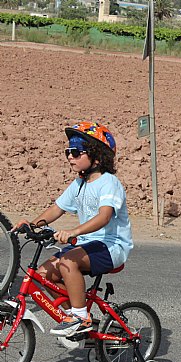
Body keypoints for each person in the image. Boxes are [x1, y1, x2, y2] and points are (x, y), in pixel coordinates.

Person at [12, 121, 133, 338]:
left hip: (111, 245)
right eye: (68, 152)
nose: (70, 157)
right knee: (44, 274)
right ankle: (73, 317)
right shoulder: (79, 184)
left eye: (76, 152)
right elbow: (56, 209)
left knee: (68, 262)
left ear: (97, 156)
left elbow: (104, 216)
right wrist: (32, 225)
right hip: (87, 245)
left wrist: (74, 232)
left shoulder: (109, 183)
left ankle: (80, 318)